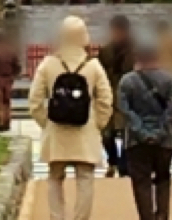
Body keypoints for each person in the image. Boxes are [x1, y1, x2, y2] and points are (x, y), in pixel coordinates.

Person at [29, 17, 113, 220]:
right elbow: (106, 99)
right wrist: (97, 124)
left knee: (55, 178)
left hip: (56, 133)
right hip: (85, 132)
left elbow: (34, 100)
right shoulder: (92, 66)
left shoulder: (49, 64)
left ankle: (57, 217)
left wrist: (46, 123)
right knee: (85, 179)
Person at [119, 42, 172, 220]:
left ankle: (146, 216)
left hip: (136, 141)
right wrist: (160, 130)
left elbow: (125, 110)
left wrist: (141, 131)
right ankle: (162, 215)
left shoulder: (127, 81)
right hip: (165, 139)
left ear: (138, 58)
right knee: (163, 178)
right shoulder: (169, 79)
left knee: (141, 181)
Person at [97, 14, 135, 177]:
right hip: (109, 94)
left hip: (129, 95)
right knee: (106, 133)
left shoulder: (135, 49)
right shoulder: (106, 51)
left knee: (128, 132)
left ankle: (124, 165)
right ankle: (113, 161)